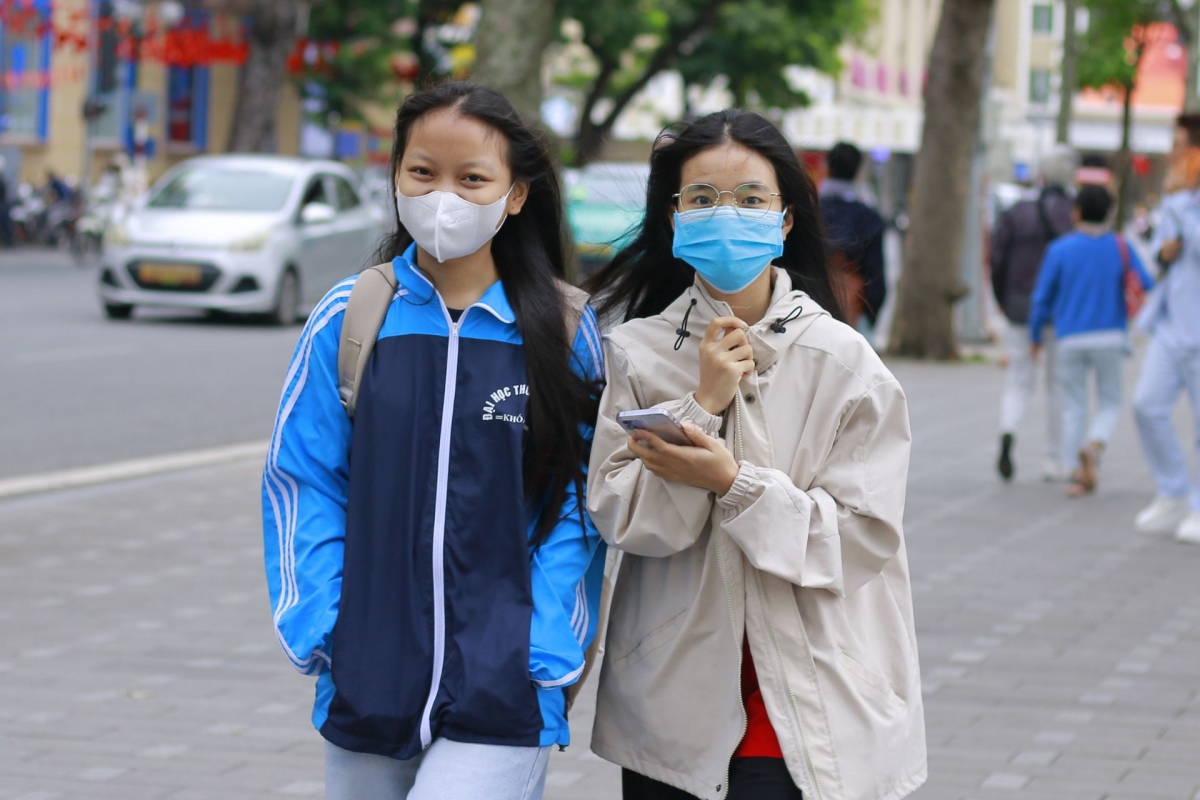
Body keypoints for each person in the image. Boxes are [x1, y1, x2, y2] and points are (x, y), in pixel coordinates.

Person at [261, 82, 606, 800]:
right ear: (396, 176)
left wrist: (541, 650)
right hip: (370, 668)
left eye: (471, 177)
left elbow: (583, 500)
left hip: (506, 677)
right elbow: (305, 479)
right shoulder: (350, 317)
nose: (442, 194)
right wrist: (327, 631)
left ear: (515, 195)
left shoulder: (564, 331)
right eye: (423, 172)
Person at [584, 110, 926, 800]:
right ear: (674, 216)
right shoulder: (638, 352)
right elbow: (624, 518)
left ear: (787, 217)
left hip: (811, 702)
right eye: (703, 199)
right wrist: (701, 404)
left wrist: (736, 486)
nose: (726, 215)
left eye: (750, 199)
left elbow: (861, 539)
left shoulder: (845, 362)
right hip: (676, 703)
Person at [1029, 185, 1153, 497]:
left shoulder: (1060, 249)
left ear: (1077, 212)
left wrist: (1035, 336)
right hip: (1111, 335)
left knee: (1074, 405)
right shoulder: (1120, 246)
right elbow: (1147, 281)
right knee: (1110, 400)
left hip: (1069, 337)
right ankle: (1095, 445)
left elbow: (1042, 298)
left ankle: (1074, 472)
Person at [1132, 116, 1200, 543]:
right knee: (1146, 405)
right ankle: (1174, 490)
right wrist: (1165, 248)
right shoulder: (1177, 199)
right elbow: (1160, 252)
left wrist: (1183, 215)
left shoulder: (1182, 203)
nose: (1174, 153)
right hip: (1172, 324)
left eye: (1180, 145)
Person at [989, 145, 1076, 482]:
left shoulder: (1016, 212)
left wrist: (1003, 299)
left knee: (1018, 380)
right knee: (1058, 384)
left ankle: (1009, 429)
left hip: (1019, 305)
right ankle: (1055, 459)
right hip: (1061, 311)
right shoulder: (1074, 214)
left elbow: (997, 260)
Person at [818, 142, 886, 331]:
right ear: (857, 171)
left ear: (827, 167)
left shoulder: (808, 210)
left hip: (810, 299)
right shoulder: (869, 217)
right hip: (853, 305)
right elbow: (876, 275)